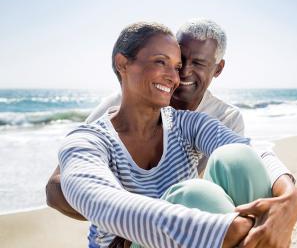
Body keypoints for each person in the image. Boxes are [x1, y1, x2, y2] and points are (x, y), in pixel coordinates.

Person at [56, 22, 297, 247]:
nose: (177, 76)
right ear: (123, 64)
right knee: (197, 195)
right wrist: (224, 229)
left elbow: (249, 148)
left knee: (238, 157)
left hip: (194, 231)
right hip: (130, 241)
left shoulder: (187, 123)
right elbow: (96, 199)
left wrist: (289, 195)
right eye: (161, 62)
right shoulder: (88, 139)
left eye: (177, 66)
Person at [46, 19, 245, 227]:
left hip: (187, 223)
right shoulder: (121, 103)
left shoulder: (223, 118)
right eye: (179, 61)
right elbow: (55, 187)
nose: (182, 72)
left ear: (218, 69)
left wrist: (282, 197)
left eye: (198, 63)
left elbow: (230, 187)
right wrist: (125, 220)